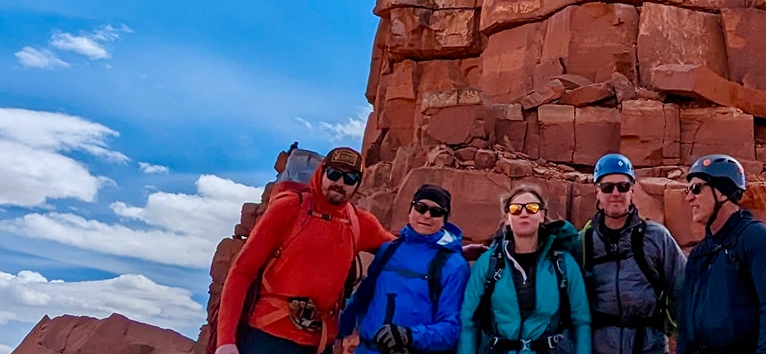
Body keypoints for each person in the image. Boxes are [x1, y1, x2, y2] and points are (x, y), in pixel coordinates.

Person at [216, 147, 395, 354]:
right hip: (268, 338)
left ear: (357, 185)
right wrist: (225, 340)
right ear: (322, 172)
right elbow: (242, 271)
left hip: (319, 343)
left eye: (350, 178)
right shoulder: (289, 208)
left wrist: (438, 235)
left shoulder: (359, 223)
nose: (340, 183)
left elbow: (401, 250)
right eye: (334, 174)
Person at [675, 154, 766, 354]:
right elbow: (686, 323)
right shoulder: (699, 253)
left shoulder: (759, 240)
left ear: (722, 193)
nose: (689, 197)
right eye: (688, 190)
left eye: (696, 188)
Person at [458, 183, 591, 354]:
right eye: (516, 209)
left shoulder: (563, 264)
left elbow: (581, 322)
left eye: (532, 208)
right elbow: (469, 321)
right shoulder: (489, 263)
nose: (524, 213)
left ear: (542, 215)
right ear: (507, 218)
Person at [337, 184, 470, 354]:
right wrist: (339, 331)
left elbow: (451, 329)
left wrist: (409, 335)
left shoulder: (454, 265)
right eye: (421, 208)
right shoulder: (389, 250)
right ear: (410, 210)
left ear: (444, 220)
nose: (427, 215)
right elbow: (362, 297)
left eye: (436, 212)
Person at [581, 154, 684, 354]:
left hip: (649, 345)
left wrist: (684, 337)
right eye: (607, 187)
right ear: (597, 193)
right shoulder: (584, 241)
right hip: (601, 346)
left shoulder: (656, 237)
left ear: (632, 190)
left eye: (623, 186)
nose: (616, 193)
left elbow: (682, 288)